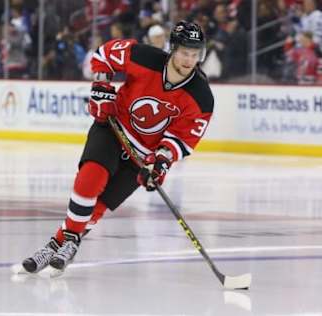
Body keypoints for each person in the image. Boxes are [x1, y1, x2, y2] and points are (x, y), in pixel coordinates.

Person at [21, 20, 214, 273]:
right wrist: (102, 86)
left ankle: (59, 242)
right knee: (89, 181)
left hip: (142, 156)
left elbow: (182, 138)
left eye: (194, 54)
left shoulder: (201, 96)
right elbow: (104, 55)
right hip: (113, 128)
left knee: (99, 206)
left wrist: (160, 162)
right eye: (184, 52)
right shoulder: (144, 57)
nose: (189, 60)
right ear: (173, 49)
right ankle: (67, 242)